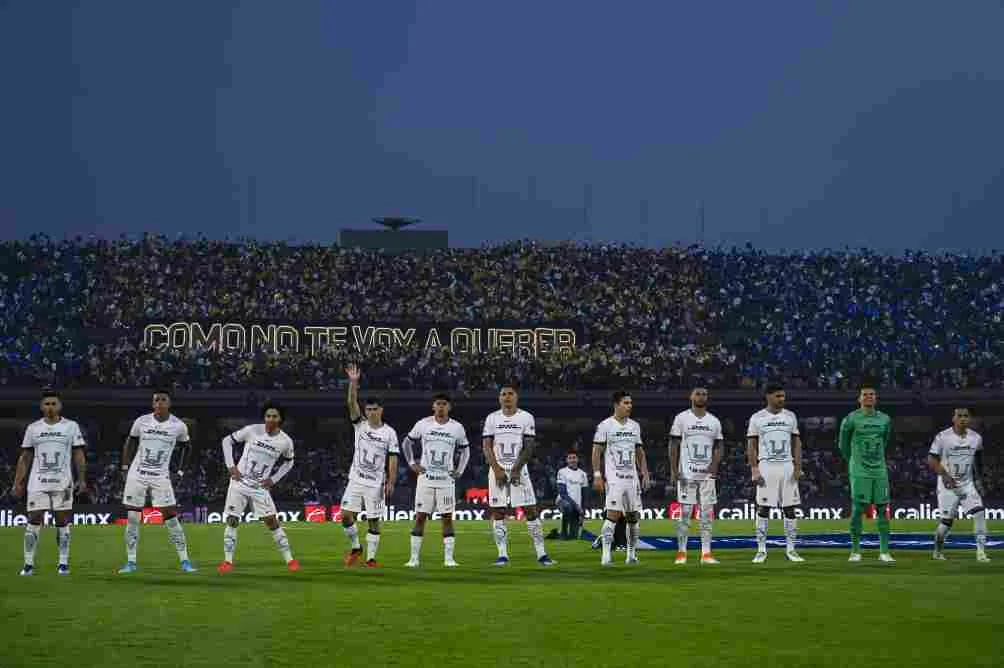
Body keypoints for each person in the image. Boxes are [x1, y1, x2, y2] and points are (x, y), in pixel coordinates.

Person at [118, 389, 196, 574]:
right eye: (156, 400)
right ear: (152, 404)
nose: (159, 403)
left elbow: (187, 447)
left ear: (169, 403)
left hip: (160, 476)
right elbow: (130, 443)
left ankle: (185, 561)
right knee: (133, 517)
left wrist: (181, 471)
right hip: (137, 473)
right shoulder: (142, 421)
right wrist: (124, 467)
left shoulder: (178, 426)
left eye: (163, 400)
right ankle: (131, 562)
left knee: (170, 516)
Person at [217, 402, 300, 573]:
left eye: (274, 416)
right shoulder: (252, 430)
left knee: (272, 522)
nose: (270, 419)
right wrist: (231, 466)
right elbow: (226, 441)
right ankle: (227, 561)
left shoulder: (285, 441)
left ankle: (290, 560)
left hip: (260, 487)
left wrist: (274, 479)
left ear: (280, 419)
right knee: (232, 520)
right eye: (268, 416)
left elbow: (289, 462)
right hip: (239, 483)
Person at [13, 389, 87, 576]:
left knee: (62, 521)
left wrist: (82, 479)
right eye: (47, 404)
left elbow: (78, 454)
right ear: (41, 407)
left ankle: (63, 563)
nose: (50, 407)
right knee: (34, 519)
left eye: (54, 404)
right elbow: (25, 457)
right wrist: (18, 482)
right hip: (37, 482)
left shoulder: (71, 426)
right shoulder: (33, 428)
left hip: (63, 482)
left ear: (60, 406)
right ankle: (28, 564)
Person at [482, 384, 555, 566]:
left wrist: (516, 469)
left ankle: (542, 555)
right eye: (503, 394)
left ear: (516, 397)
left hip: (519, 469)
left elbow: (529, 446)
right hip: (497, 469)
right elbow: (486, 446)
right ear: (499, 398)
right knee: (498, 512)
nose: (507, 397)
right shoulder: (492, 418)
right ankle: (502, 555)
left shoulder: (526, 417)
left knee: (531, 510)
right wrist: (497, 469)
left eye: (510, 394)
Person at [340, 365, 399, 568]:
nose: (372, 412)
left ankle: (371, 559)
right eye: (369, 409)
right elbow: (350, 402)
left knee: (373, 520)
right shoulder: (360, 425)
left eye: (375, 409)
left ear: (381, 410)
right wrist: (353, 383)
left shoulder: (390, 433)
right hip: (356, 479)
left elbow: (392, 459)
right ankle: (356, 547)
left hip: (375, 483)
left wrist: (391, 481)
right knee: (345, 516)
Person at [402, 393, 469, 567]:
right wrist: (412, 463)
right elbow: (407, 443)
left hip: (446, 480)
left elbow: (465, 450)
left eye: (444, 404)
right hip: (426, 479)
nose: (441, 407)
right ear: (433, 406)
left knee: (447, 518)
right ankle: (414, 559)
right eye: (438, 404)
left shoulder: (457, 428)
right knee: (420, 517)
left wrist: (460, 470)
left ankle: (449, 559)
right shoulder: (423, 424)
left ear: (449, 407)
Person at [747, 383, 805, 563]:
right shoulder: (757, 418)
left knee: (790, 509)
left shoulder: (790, 416)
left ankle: (791, 549)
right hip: (766, 466)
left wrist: (798, 467)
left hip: (787, 466)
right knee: (763, 508)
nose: (782, 399)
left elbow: (797, 443)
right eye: (778, 396)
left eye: (783, 396)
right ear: (768, 396)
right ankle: (761, 550)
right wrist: (754, 469)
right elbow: (751, 445)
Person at [838, 384, 895, 563]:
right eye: (865, 394)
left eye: (872, 394)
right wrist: (854, 462)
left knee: (882, 510)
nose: (869, 397)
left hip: (879, 469)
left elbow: (886, 441)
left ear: (876, 398)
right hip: (859, 470)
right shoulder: (851, 419)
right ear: (859, 398)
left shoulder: (885, 419)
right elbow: (843, 445)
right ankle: (855, 551)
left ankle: (884, 552)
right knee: (857, 510)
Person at [592, 391, 649, 566]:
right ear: (616, 405)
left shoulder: (635, 426)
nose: (629, 406)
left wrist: (645, 473)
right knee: (612, 516)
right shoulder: (605, 426)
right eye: (626, 403)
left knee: (633, 518)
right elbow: (597, 451)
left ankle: (631, 555)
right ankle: (606, 556)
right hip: (615, 478)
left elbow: (639, 451)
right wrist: (597, 475)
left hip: (632, 479)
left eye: (630, 403)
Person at [927, 408, 990, 562]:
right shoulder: (943, 437)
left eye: (966, 416)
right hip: (947, 485)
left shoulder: (976, 438)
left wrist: (979, 480)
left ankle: (981, 552)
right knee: (946, 522)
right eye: (959, 416)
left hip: (967, 484)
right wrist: (945, 475)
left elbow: (978, 460)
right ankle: (937, 551)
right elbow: (931, 459)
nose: (962, 419)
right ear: (953, 419)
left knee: (980, 513)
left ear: (969, 419)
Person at [669, 387, 723, 565]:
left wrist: (714, 466)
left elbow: (719, 446)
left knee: (707, 514)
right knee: (685, 513)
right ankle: (681, 552)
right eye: (698, 393)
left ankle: (706, 554)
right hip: (687, 473)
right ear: (691, 396)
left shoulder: (714, 421)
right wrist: (674, 470)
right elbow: (673, 445)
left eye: (705, 394)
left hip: (707, 475)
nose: (701, 396)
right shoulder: (681, 418)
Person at [556, 450, 588, 540]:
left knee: (574, 536)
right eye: (570, 458)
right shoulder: (562, 472)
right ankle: (563, 532)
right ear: (567, 460)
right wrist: (576, 506)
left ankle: (559, 533)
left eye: (574, 458)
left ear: (577, 459)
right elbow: (562, 493)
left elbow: (585, 494)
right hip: (563, 501)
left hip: (577, 504)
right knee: (567, 507)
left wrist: (583, 510)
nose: (572, 460)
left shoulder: (583, 474)